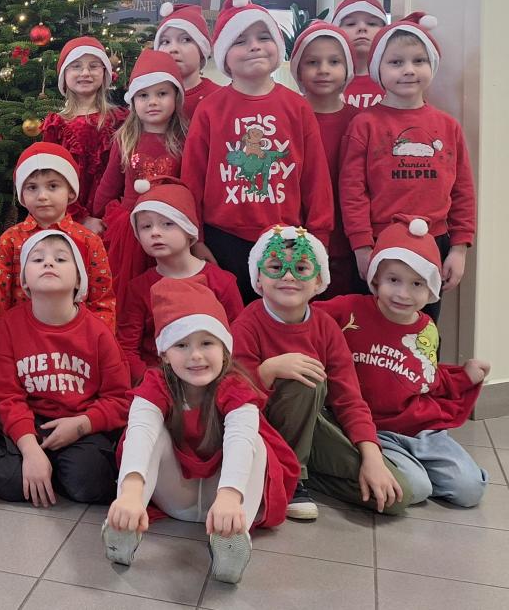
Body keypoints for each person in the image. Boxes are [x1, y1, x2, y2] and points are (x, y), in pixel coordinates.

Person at [101, 278, 300, 585]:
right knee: (150, 431)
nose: (195, 355)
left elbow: (240, 438)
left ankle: (231, 539)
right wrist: (130, 492)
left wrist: (230, 497)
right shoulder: (157, 383)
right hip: (176, 493)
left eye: (207, 343)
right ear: (165, 354)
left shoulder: (235, 386)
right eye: (181, 345)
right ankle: (128, 519)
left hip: (223, 504)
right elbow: (141, 430)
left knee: (255, 442)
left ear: (225, 349)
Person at [231, 224, 410, 521]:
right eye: (275, 267)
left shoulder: (326, 326)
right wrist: (268, 370)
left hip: (313, 428)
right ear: (258, 279)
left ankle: (301, 474)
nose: (288, 276)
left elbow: (349, 399)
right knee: (305, 378)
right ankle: (289, 480)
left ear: (318, 281)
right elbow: (234, 398)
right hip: (262, 433)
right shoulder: (246, 325)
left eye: (301, 268)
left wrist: (372, 457)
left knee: (396, 496)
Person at [319, 218, 488, 507]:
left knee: (470, 490)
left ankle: (418, 466)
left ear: (431, 289)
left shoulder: (427, 328)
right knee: (415, 487)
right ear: (376, 279)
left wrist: (465, 377)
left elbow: (427, 378)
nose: (403, 294)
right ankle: (401, 469)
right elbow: (305, 319)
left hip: (422, 429)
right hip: (374, 429)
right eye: (393, 280)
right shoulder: (348, 309)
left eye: (417, 284)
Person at [180, 0, 333, 303]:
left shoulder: (297, 107)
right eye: (240, 40)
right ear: (224, 55)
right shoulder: (210, 109)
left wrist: (319, 236)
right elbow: (192, 178)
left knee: (281, 318)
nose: (254, 46)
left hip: (285, 239)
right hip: (223, 239)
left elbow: (316, 177)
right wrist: (195, 238)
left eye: (263, 37)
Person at [339, 11, 475, 322]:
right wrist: (361, 246)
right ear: (379, 68)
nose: (409, 70)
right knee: (371, 328)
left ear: (432, 66)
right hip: (379, 242)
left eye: (418, 61)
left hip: (434, 242)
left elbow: (463, 190)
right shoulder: (364, 124)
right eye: (396, 62)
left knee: (422, 330)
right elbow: (352, 190)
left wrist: (459, 248)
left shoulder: (449, 126)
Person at [0, 230, 130, 507]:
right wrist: (30, 449)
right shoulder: (8, 327)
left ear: (78, 279)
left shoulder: (98, 333)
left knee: (89, 482)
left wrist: (82, 425)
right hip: (31, 420)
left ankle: (56, 469)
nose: (49, 263)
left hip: (80, 422)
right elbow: (7, 397)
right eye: (38, 259)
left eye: (61, 259)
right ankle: (36, 461)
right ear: (24, 280)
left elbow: (120, 399)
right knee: (8, 481)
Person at [116, 177, 243, 383]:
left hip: (211, 378)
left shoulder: (222, 282)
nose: (155, 232)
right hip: (158, 382)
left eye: (167, 224)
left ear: (188, 228)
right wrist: (153, 383)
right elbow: (127, 348)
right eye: (146, 226)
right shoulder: (139, 288)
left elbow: (237, 340)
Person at [0, 143, 115, 336]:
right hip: (24, 337)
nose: (42, 196)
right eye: (32, 187)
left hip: (77, 339)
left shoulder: (89, 240)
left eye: (53, 186)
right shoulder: (11, 239)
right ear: (22, 194)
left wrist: (101, 343)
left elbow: (102, 301)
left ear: (70, 191)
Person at [93, 49, 188, 289]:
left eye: (162, 94)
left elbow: (191, 185)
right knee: (131, 283)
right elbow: (109, 183)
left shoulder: (184, 139)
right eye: (143, 95)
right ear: (133, 100)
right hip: (131, 225)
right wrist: (96, 215)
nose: (152, 101)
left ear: (176, 96)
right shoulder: (125, 139)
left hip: (171, 224)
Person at [288, 22, 361, 297]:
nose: (323, 70)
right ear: (298, 70)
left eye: (334, 61)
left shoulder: (360, 121)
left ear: (348, 69)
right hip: (297, 240)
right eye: (312, 62)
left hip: (349, 242)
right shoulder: (287, 118)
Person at [42, 36, 126, 234]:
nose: (85, 73)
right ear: (65, 75)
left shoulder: (120, 119)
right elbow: (50, 178)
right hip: (70, 220)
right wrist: (81, 217)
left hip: (114, 218)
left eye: (93, 66)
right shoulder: (56, 125)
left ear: (104, 73)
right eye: (76, 66)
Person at [154, 2, 221, 119]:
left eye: (185, 40)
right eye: (165, 42)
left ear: (202, 50)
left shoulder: (219, 97)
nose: (173, 49)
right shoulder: (150, 98)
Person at [328, 0, 388, 109]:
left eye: (372, 23)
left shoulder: (394, 80)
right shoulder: (325, 80)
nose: (362, 28)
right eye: (351, 24)